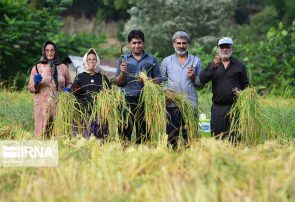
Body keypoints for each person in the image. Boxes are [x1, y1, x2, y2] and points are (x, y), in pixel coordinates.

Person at [116, 30, 162, 143]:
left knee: (144, 134)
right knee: (124, 133)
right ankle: (124, 156)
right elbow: (118, 82)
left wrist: (149, 81)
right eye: (134, 43)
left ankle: (142, 157)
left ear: (143, 43)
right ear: (129, 44)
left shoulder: (151, 59)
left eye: (139, 42)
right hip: (126, 100)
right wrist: (122, 72)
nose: (137, 46)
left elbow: (159, 79)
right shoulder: (123, 60)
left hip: (145, 100)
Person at [199, 37, 249, 140]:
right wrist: (214, 66)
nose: (225, 49)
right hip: (217, 108)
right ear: (218, 49)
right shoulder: (212, 65)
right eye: (222, 47)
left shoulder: (239, 66)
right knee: (217, 138)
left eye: (227, 46)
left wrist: (246, 96)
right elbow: (202, 79)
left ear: (231, 48)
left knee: (234, 137)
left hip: (235, 108)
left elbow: (246, 85)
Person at [160, 31, 203, 148]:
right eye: (178, 43)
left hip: (190, 105)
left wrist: (194, 77)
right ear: (174, 44)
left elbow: (201, 84)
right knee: (171, 137)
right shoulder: (166, 61)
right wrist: (166, 90)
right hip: (171, 105)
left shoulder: (196, 61)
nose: (181, 46)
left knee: (189, 137)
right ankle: (171, 162)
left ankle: (188, 161)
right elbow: (161, 81)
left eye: (184, 43)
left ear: (187, 44)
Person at [28, 41, 72, 137]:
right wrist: (35, 83)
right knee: (41, 134)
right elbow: (30, 87)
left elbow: (69, 83)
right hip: (42, 105)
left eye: (52, 50)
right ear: (43, 52)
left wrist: (67, 89)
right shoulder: (37, 67)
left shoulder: (63, 67)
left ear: (55, 51)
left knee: (56, 133)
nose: (49, 53)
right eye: (47, 50)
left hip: (59, 105)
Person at [72, 48, 110, 139]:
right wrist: (75, 90)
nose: (91, 61)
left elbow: (109, 93)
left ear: (97, 61)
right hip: (83, 113)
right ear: (85, 61)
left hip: (99, 114)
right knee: (84, 138)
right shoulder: (79, 77)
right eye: (89, 59)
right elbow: (72, 93)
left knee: (99, 139)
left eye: (94, 59)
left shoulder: (102, 77)